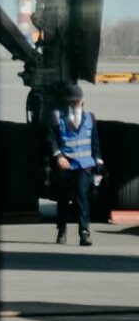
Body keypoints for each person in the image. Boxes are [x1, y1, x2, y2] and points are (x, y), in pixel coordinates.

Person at [49, 87, 105, 246]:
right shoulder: (57, 117)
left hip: (85, 164)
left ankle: (84, 232)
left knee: (83, 198)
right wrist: (58, 156)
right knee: (63, 198)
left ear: (82, 102)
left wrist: (99, 163)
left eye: (77, 102)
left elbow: (95, 143)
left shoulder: (90, 118)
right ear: (68, 102)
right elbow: (51, 139)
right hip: (65, 163)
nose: (74, 104)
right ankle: (62, 230)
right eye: (72, 101)